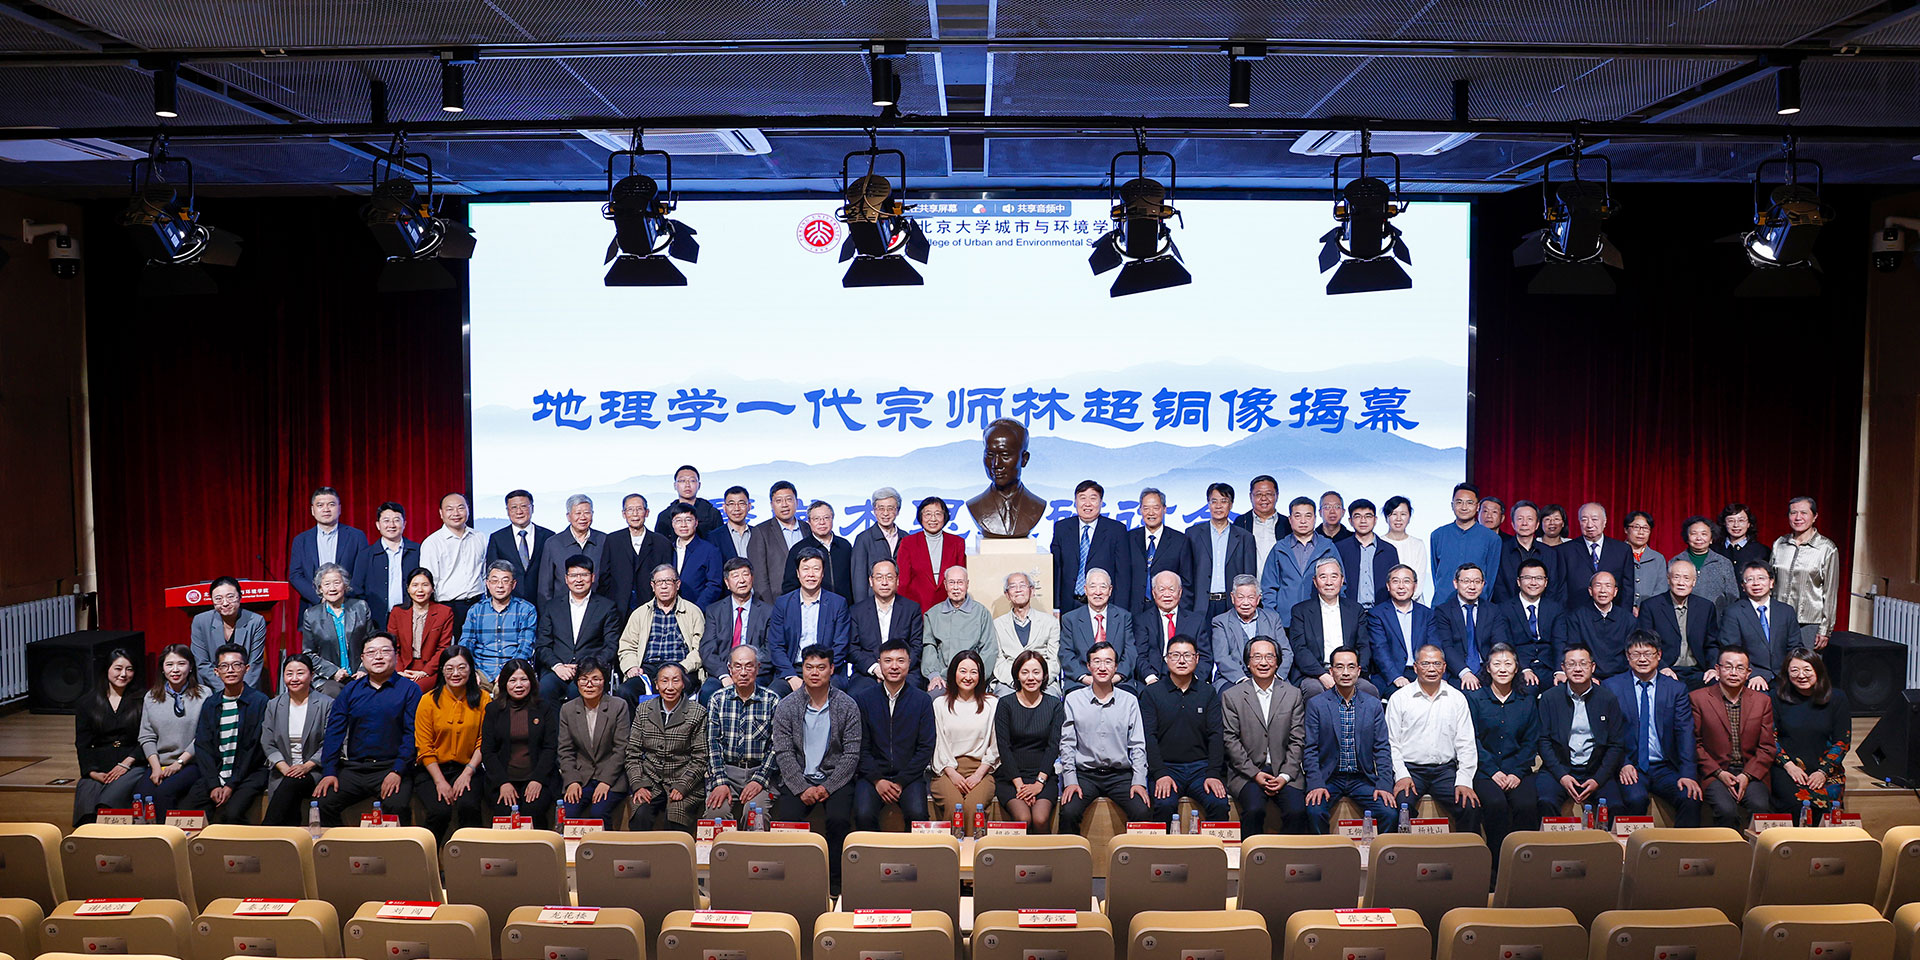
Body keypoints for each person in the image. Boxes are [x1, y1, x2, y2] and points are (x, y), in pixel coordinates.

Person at [769, 645, 861, 885]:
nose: (814, 673)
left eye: (821, 667)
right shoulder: (787, 706)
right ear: (802, 670)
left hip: (834, 779)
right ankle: (792, 883)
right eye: (809, 667)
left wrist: (828, 787)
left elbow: (851, 754)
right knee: (788, 820)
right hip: (799, 779)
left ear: (832, 669)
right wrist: (802, 787)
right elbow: (784, 752)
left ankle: (835, 883)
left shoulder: (847, 705)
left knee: (839, 820)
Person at [314, 633, 422, 826]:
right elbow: (334, 732)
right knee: (324, 803)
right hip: (355, 768)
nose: (378, 657)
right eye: (371, 652)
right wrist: (329, 771)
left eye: (385, 651)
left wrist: (398, 770)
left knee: (397, 806)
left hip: (392, 766)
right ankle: (344, 844)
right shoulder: (351, 690)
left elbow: (412, 734)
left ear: (395, 656)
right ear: (362, 659)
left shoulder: (409, 689)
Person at [1603, 632, 1704, 827]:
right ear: (1627, 656)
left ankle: (1680, 846)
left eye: (1648, 653)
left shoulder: (1676, 689)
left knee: (1690, 797)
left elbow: (1685, 733)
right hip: (1631, 765)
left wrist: (1688, 774)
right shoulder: (1612, 687)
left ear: (1659, 655)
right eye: (1636, 654)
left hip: (1665, 766)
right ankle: (1633, 846)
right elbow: (1609, 733)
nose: (1642, 659)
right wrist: (1623, 763)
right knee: (1635, 799)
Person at [1385, 644, 1480, 833]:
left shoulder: (1457, 698)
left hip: (1445, 771)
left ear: (1444, 667)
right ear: (1415, 667)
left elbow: (1466, 743)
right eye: (1425, 663)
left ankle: (1467, 852)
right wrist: (1401, 774)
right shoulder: (1400, 698)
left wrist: (1464, 780)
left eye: (1436, 663)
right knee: (1400, 807)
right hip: (1411, 770)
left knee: (1469, 805)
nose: (1431, 669)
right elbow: (1391, 743)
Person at [1058, 642, 1150, 833]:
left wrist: (1139, 781)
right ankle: (1072, 854)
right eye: (1097, 661)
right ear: (1088, 666)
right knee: (1068, 812)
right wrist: (1070, 780)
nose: (1102, 667)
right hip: (1085, 775)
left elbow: (1138, 745)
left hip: (1120, 775)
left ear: (1116, 667)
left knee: (1142, 811)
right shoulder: (1073, 699)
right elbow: (1067, 744)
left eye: (1108, 662)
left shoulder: (1129, 701)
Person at [1302, 647, 1397, 833]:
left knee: (1389, 813)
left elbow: (1382, 748)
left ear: (1358, 671)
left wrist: (1384, 785)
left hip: (1362, 778)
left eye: (1351, 667)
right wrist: (1315, 783)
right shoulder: (1317, 704)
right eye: (1339, 667)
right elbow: (1310, 749)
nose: (1345, 672)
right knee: (1314, 811)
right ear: (1331, 671)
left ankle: (1379, 852)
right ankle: (1324, 851)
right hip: (1329, 777)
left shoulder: (1372, 705)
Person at [1220, 636, 1306, 836]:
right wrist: (1255, 774)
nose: (1263, 662)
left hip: (1284, 770)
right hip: (1247, 773)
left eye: (1269, 657)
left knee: (1297, 811)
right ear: (1248, 663)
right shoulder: (1232, 696)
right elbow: (1231, 741)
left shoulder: (1293, 694)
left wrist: (1284, 776)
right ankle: (1252, 855)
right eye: (1257, 657)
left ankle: (1288, 855)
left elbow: (1297, 739)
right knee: (1254, 810)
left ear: (1277, 662)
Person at [1142, 636, 1229, 829]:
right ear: (1166, 659)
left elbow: (1216, 735)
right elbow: (1149, 737)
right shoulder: (1152, 693)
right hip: (1167, 768)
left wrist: (1213, 773)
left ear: (1197, 659)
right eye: (1175, 655)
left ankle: (1213, 849)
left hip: (1201, 768)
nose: (1181, 661)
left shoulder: (1208, 692)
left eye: (1187, 655)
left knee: (1219, 803)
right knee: (1164, 804)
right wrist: (1160, 773)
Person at [1468, 644, 1540, 869]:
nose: (1502, 669)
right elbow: (1471, 740)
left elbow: (1531, 742)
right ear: (1488, 668)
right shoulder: (1475, 699)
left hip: (1517, 769)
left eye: (1508, 664)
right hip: (1485, 770)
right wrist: (1493, 771)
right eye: (1497, 664)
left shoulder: (1527, 700)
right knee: (1495, 803)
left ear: (1516, 668)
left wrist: (1516, 773)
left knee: (1527, 804)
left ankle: (1523, 867)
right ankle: (1495, 869)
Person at [1534, 644, 1627, 818]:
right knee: (1545, 801)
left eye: (1583, 664)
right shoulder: (1549, 698)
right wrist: (1562, 776)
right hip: (1559, 769)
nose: (1577, 669)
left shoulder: (1608, 699)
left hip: (1596, 769)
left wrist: (1598, 779)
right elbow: (1543, 741)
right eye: (1571, 664)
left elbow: (1616, 744)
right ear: (1563, 668)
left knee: (1615, 806)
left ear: (1593, 667)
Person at [852, 638, 935, 829]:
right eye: (888, 661)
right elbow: (860, 746)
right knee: (863, 814)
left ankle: (910, 851)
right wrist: (878, 780)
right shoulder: (864, 699)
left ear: (909, 663)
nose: (894, 666)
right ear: (879, 663)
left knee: (918, 815)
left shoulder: (922, 700)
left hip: (909, 777)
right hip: (872, 776)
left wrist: (901, 782)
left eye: (900, 660)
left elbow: (925, 747)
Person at [1690, 646, 1777, 828]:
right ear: (1717, 669)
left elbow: (1767, 747)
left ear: (1748, 673)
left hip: (1751, 770)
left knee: (1760, 806)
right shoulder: (1698, 699)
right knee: (1726, 810)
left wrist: (1747, 775)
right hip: (1714, 771)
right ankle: (1729, 847)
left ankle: (1756, 847)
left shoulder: (1762, 701)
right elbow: (1694, 744)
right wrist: (1719, 773)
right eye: (1728, 667)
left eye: (1740, 668)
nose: (1733, 673)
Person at [626, 661, 711, 832]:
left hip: (684, 780)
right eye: (664, 681)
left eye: (675, 681)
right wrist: (639, 785)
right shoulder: (643, 710)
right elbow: (632, 755)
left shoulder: (697, 712)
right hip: (650, 780)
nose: (670, 687)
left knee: (676, 815)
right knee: (640, 813)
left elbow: (700, 758)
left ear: (683, 684)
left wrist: (683, 786)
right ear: (656, 685)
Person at [414, 646, 488, 839]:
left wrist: (468, 772)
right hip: (432, 770)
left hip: (469, 767)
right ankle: (427, 854)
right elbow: (424, 746)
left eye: (462, 668)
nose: (456, 673)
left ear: (471, 669)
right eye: (449, 668)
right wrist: (440, 782)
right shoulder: (428, 701)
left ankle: (471, 855)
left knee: (469, 806)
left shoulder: (483, 699)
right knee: (440, 811)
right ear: (442, 671)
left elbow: (484, 741)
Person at [194, 643, 271, 823]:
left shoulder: (259, 702)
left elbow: (254, 750)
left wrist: (231, 784)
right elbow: (203, 746)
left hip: (249, 774)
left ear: (246, 668)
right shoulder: (211, 703)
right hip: (217, 774)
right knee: (190, 809)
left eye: (236, 665)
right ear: (216, 671)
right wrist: (214, 784)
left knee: (232, 814)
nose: (230, 670)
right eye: (224, 666)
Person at [702, 645, 780, 821]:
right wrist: (720, 781)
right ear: (730, 669)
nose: (743, 672)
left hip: (759, 771)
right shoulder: (717, 699)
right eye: (738, 666)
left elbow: (776, 746)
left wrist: (759, 779)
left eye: (749, 666)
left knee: (755, 816)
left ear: (758, 668)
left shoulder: (772, 700)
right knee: (716, 815)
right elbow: (712, 744)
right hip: (726, 771)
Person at [1773, 648, 1850, 825]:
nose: (1801, 675)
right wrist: (1789, 766)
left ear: (1818, 670)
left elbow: (1842, 741)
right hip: (1788, 767)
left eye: (1807, 669)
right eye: (1794, 670)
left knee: (1826, 804)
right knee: (1797, 803)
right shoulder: (1776, 698)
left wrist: (1823, 772)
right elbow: (1770, 738)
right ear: (1787, 673)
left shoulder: (1837, 698)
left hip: (1826, 768)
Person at [129, 644, 205, 820]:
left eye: (181, 664)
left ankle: (169, 836)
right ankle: (144, 836)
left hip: (191, 763)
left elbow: (203, 735)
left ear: (191, 667)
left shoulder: (204, 694)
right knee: (141, 796)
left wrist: (179, 763)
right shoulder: (151, 696)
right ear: (162, 669)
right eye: (169, 664)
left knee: (164, 793)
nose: (175, 670)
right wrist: (156, 767)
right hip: (159, 763)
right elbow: (146, 736)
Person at [994, 651, 1065, 833]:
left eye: (1036, 672)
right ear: (1017, 675)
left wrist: (1038, 783)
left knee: (1040, 819)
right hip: (1011, 777)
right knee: (1023, 818)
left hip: (1043, 776)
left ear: (1044, 675)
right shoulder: (1005, 704)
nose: (1031, 678)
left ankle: (1047, 854)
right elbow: (1004, 747)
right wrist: (1020, 786)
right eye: (1025, 672)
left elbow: (1053, 747)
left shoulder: (1054, 705)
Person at [481, 659, 558, 828]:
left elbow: (550, 747)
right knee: (504, 812)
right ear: (504, 683)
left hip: (537, 778)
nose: (518, 685)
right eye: (513, 680)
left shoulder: (543, 708)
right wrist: (503, 783)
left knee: (533, 810)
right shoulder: (493, 710)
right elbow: (488, 751)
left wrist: (537, 779)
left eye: (524, 679)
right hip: (502, 779)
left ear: (532, 681)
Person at [537, 555, 623, 704]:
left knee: (577, 691)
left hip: (590, 671)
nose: (578, 580)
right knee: (544, 689)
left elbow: (611, 646)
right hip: (558, 669)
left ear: (592, 577)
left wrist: (588, 668)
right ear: (566, 578)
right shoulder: (552, 607)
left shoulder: (607, 607)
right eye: (573, 575)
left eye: (584, 575)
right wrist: (557, 666)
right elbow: (542, 645)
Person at [1288, 559, 1378, 699]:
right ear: (1315, 581)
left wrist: (1353, 672)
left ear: (1342, 581)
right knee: (1314, 691)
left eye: (1334, 576)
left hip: (1349, 671)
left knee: (1369, 690)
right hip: (1315, 673)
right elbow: (1300, 649)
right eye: (1323, 577)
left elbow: (1363, 646)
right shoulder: (1301, 611)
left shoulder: (1355, 610)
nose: (1329, 582)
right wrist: (1322, 675)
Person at [556, 658, 632, 822]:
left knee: (599, 813)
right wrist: (572, 781)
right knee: (569, 813)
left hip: (611, 776)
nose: (589, 685)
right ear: (577, 682)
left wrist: (605, 781)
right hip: (581, 776)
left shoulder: (618, 706)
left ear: (604, 681)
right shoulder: (568, 709)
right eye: (584, 679)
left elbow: (621, 749)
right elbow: (565, 750)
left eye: (596, 679)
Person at [768, 550, 853, 696]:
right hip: (793, 669)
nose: (811, 574)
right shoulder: (783, 603)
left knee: (835, 695)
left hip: (827, 670)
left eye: (816, 569)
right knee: (773, 694)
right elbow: (776, 646)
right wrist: (790, 676)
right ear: (798, 573)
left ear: (823, 573)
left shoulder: (838, 603)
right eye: (806, 569)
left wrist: (822, 670)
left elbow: (841, 645)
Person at [74, 648, 143, 825]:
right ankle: (86, 836)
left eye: (129, 669)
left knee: (108, 799)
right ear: (107, 669)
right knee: (87, 793)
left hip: (133, 763)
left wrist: (127, 763)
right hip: (100, 765)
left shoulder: (144, 699)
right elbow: (83, 744)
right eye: (118, 668)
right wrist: (93, 772)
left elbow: (148, 737)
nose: (123, 674)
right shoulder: (87, 702)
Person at [929, 649, 998, 826]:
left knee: (974, 808)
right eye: (963, 671)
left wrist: (978, 774)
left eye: (973, 672)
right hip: (946, 770)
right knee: (955, 807)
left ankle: (973, 846)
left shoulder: (992, 704)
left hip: (981, 770)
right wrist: (952, 774)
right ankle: (951, 845)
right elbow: (938, 744)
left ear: (980, 676)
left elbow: (995, 746)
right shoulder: (939, 704)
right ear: (954, 673)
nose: (968, 677)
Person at [261, 655, 333, 826]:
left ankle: (266, 830)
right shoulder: (274, 705)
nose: (294, 678)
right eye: (289, 674)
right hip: (282, 770)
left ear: (312, 675)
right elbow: (267, 742)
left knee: (291, 784)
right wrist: (285, 768)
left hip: (314, 770)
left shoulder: (326, 704)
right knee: (290, 784)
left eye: (300, 673)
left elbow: (330, 743)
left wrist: (306, 766)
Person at [617, 564, 706, 700]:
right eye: (659, 582)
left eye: (668, 581)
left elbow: (700, 648)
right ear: (653, 586)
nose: (663, 586)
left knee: (677, 689)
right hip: (648, 670)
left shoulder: (693, 612)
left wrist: (684, 667)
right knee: (626, 691)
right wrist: (632, 666)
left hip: (682, 668)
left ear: (677, 584)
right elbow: (627, 646)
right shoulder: (640, 613)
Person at [1637, 558, 1719, 689]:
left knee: (1716, 686)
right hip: (1666, 669)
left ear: (1694, 582)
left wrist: (1712, 668)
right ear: (1668, 579)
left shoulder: (1706, 607)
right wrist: (1662, 667)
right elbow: (1646, 643)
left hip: (1698, 670)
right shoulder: (1651, 606)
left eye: (1687, 578)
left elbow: (1712, 644)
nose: (1681, 583)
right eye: (1676, 577)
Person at [702, 557, 776, 701]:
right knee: (707, 692)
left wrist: (749, 671)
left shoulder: (768, 611)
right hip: (724, 672)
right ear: (727, 582)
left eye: (745, 574)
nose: (741, 580)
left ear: (752, 578)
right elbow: (707, 649)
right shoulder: (714, 611)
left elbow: (770, 649)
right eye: (735, 576)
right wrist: (724, 674)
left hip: (756, 673)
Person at [1772, 496, 1841, 649]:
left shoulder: (1827, 548)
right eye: (1793, 513)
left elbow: (1830, 592)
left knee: (1804, 662)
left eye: (1804, 513)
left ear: (1814, 516)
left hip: (1809, 623)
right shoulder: (1779, 544)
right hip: (1777, 619)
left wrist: (1825, 629)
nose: (1798, 517)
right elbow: (1770, 582)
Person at [1052, 480, 1131, 613]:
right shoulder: (1062, 528)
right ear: (1075, 502)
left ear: (1101, 502)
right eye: (1082, 498)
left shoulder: (1116, 530)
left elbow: (1123, 574)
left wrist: (1119, 611)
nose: (1087, 503)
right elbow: (1056, 569)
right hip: (1068, 605)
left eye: (1093, 498)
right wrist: (1055, 606)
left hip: (1104, 605)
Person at [290, 486, 368, 621]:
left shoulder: (356, 536)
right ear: (312, 510)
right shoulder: (301, 540)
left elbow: (362, 572)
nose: (326, 509)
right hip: (314, 607)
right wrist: (320, 598)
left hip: (350, 607)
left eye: (331, 504)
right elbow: (295, 575)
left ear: (339, 508)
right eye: (320, 505)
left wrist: (342, 598)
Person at [965, 417, 1051, 539]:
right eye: (990, 455)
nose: (996, 464)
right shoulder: (976, 506)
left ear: (1024, 459)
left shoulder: (1037, 505)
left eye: (1005, 455)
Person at [1716, 562, 1797, 689]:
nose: (1756, 583)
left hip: (1784, 676)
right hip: (1751, 678)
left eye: (1761, 578)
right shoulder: (1733, 612)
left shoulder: (1786, 611)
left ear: (1771, 582)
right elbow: (1731, 650)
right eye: (1750, 579)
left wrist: (1793, 672)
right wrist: (1752, 674)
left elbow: (1795, 647)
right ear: (1743, 586)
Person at [1429, 563, 1508, 690]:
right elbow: (1446, 647)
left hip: (1488, 670)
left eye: (1477, 581)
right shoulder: (1443, 611)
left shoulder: (1493, 610)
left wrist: (1492, 670)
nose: (1472, 586)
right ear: (1455, 583)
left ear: (1483, 584)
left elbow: (1499, 644)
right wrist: (1464, 672)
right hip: (1457, 671)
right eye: (1466, 581)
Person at [301, 562, 375, 697]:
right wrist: (333, 672)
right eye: (327, 584)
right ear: (320, 589)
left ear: (345, 585)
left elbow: (372, 643)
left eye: (337, 583)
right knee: (334, 694)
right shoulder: (311, 615)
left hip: (360, 674)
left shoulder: (361, 607)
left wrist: (364, 669)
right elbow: (308, 653)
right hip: (328, 678)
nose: (332, 588)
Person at [1059, 568, 1137, 693]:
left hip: (1117, 680)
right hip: (1082, 681)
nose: (1098, 592)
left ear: (1110, 590)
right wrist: (1086, 678)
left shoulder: (1123, 617)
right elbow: (1066, 653)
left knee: (1127, 696)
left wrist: (1115, 677)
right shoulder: (1070, 619)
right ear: (1085, 590)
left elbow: (1130, 653)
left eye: (1103, 587)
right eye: (1093, 587)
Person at [1189, 484, 1259, 622]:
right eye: (1214, 501)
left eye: (1224, 501)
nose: (1218, 506)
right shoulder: (1193, 534)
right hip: (1201, 605)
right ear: (1208, 504)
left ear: (1231, 505)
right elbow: (1187, 574)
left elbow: (1249, 577)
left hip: (1232, 605)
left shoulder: (1245, 537)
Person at [420, 493, 487, 636]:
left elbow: (484, 573)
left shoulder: (479, 537)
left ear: (468, 509)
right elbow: (428, 581)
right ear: (441, 513)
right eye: (449, 509)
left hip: (479, 604)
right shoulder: (432, 543)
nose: (456, 513)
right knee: (452, 648)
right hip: (448, 606)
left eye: (460, 508)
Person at [465, 561, 538, 690]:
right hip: (481, 670)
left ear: (513, 584)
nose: (500, 586)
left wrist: (509, 672)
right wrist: (470, 670)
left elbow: (525, 647)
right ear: (487, 584)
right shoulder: (475, 610)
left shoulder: (526, 609)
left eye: (505, 581)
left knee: (506, 690)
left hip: (513, 670)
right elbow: (466, 643)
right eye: (494, 581)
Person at [1262, 496, 1340, 615]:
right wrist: (1271, 616)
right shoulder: (1279, 548)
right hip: (1286, 617)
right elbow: (1269, 587)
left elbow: (1340, 584)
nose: (1303, 521)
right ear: (1290, 519)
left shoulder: (1328, 547)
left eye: (1308, 516)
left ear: (1315, 518)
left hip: (1321, 615)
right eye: (1298, 516)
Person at [1555, 502, 1637, 612]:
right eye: (1584, 520)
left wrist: (1624, 617)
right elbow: (1561, 590)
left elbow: (1628, 589)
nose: (1589, 525)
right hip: (1576, 615)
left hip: (1613, 614)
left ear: (1605, 522)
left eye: (1594, 519)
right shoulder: (1564, 551)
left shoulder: (1622, 550)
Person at [190, 576, 268, 692]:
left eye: (230, 597)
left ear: (240, 597)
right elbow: (202, 663)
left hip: (246, 689)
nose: (225, 603)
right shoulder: (200, 621)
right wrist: (226, 692)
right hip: (212, 689)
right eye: (218, 599)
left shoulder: (256, 621)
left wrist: (241, 692)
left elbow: (254, 664)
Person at [1551, 571, 1634, 681]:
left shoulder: (1628, 619)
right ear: (1590, 591)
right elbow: (1575, 649)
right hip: (1588, 677)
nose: (1603, 590)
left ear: (1615, 591)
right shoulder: (1577, 617)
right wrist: (1589, 677)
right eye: (1598, 585)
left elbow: (1632, 653)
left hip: (1621, 677)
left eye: (1608, 586)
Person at [923, 567, 995, 692]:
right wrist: (934, 675)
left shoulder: (981, 613)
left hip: (973, 678)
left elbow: (989, 649)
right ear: (945, 585)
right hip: (943, 678)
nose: (956, 588)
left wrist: (976, 675)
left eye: (960, 582)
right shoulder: (933, 614)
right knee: (934, 695)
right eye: (951, 582)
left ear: (967, 584)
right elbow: (929, 647)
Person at [1430, 484, 1502, 608]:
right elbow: (1436, 572)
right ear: (1452, 505)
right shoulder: (1438, 535)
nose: (1464, 507)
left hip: (1477, 606)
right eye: (1459, 502)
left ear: (1477, 506)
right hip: (1443, 605)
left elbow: (1490, 577)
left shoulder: (1491, 538)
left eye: (1469, 503)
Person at [1134, 570, 1210, 686]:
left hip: (1188, 678)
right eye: (1162, 590)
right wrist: (1151, 678)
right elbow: (1140, 655)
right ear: (1154, 593)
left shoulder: (1196, 621)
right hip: (1155, 679)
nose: (1167, 594)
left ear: (1180, 592)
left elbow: (1205, 657)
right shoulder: (1142, 620)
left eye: (1171, 589)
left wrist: (1193, 680)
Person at [599, 493, 669, 619]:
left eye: (639, 509)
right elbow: (604, 576)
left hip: (652, 608)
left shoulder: (661, 542)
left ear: (647, 512)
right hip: (618, 609)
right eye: (630, 510)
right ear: (624, 514)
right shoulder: (612, 540)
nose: (635, 514)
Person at [1212, 575, 1287, 691]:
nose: (1245, 603)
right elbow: (1222, 657)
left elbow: (1286, 652)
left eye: (1251, 597)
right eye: (1240, 597)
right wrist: (1243, 679)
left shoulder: (1273, 619)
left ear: (1258, 598)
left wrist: (1276, 676)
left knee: (1288, 694)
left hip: (1270, 675)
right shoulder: (1221, 622)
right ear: (1232, 598)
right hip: (1234, 678)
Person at [1127, 487, 1193, 617]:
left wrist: (1182, 613)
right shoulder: (1128, 538)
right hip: (1133, 610)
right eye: (1146, 508)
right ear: (1140, 510)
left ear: (1164, 509)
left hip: (1167, 611)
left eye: (1156, 508)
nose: (1151, 513)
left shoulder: (1180, 540)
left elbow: (1187, 582)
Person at [896, 496, 966, 615]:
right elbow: (903, 581)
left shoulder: (957, 542)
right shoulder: (908, 543)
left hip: (949, 606)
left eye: (938, 514)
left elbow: (960, 578)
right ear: (920, 517)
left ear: (945, 516)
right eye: (928, 514)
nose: (933, 519)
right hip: (917, 606)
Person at [992, 572, 1060, 695]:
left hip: (1043, 681)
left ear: (1032, 591)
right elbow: (998, 660)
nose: (1018, 590)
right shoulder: (997, 625)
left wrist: (1040, 680)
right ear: (1007, 595)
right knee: (1003, 697)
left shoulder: (1050, 622)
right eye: (1012, 586)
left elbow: (1054, 659)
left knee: (1051, 698)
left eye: (1022, 585)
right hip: (1009, 682)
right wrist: (1016, 682)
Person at [1367, 565, 1431, 693]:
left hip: (1422, 672)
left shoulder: (1427, 614)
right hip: (1390, 674)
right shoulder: (1377, 614)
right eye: (1395, 581)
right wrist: (1395, 676)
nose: (1401, 586)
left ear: (1415, 586)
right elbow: (1380, 649)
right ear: (1388, 586)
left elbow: (1434, 646)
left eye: (1406, 581)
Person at [1497, 558, 1559, 689]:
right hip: (1520, 666)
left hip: (1550, 666)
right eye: (1528, 578)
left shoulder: (1555, 608)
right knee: (1527, 689)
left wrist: (1560, 670)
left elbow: (1560, 642)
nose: (1533, 582)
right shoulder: (1504, 609)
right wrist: (1524, 668)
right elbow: (1506, 643)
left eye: (1539, 578)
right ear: (1518, 581)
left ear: (1546, 582)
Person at [389, 567, 454, 689]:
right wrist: (400, 671)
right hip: (403, 667)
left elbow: (443, 648)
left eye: (425, 585)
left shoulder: (444, 612)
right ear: (408, 589)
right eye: (415, 585)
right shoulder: (397, 612)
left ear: (432, 588)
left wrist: (425, 672)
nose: (420, 590)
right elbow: (393, 647)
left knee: (413, 688)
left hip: (430, 669)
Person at [352, 501, 419, 618]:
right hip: (375, 619)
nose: (391, 525)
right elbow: (357, 589)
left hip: (411, 616)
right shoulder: (366, 555)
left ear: (404, 524)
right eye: (386, 521)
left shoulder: (417, 551)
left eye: (396, 520)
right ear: (378, 525)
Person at [486, 489, 553, 604]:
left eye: (523, 506)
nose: (519, 511)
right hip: (509, 603)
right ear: (507, 511)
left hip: (543, 602)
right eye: (514, 507)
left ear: (532, 508)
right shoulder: (497, 538)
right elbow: (492, 574)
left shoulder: (548, 536)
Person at [539, 494, 607, 604]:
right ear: (568, 516)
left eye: (587, 513)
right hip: (562, 608)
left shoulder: (604, 540)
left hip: (598, 607)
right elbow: (545, 587)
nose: (583, 517)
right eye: (578, 513)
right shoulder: (553, 543)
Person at [1333, 499, 1399, 613]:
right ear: (1350, 521)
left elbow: (1395, 582)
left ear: (1375, 520)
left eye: (1368, 516)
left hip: (1382, 612)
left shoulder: (1389, 550)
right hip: (1349, 611)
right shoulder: (1340, 548)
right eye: (1357, 516)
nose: (1363, 520)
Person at [782, 501, 855, 601]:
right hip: (812, 606)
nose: (822, 522)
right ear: (809, 522)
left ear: (832, 519)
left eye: (826, 518)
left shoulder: (844, 546)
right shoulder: (798, 549)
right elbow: (790, 586)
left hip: (844, 605)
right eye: (816, 519)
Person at [749, 481, 806, 604]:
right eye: (779, 501)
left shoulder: (807, 528)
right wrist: (769, 607)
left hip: (808, 599)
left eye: (789, 499)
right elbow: (759, 576)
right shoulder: (761, 531)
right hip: (777, 600)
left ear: (796, 502)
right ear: (771, 505)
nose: (784, 505)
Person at [848, 487, 903, 606]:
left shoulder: (906, 538)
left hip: (901, 604)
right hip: (873, 604)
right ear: (874, 511)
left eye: (890, 508)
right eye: (881, 508)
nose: (885, 513)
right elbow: (859, 579)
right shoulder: (863, 539)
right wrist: (862, 608)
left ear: (897, 511)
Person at [1492, 500, 1553, 605]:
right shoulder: (1501, 550)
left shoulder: (1549, 553)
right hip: (1507, 609)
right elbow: (1498, 587)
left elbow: (1553, 587)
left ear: (1537, 524)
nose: (1524, 523)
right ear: (1513, 524)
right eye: (1520, 519)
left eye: (1530, 519)